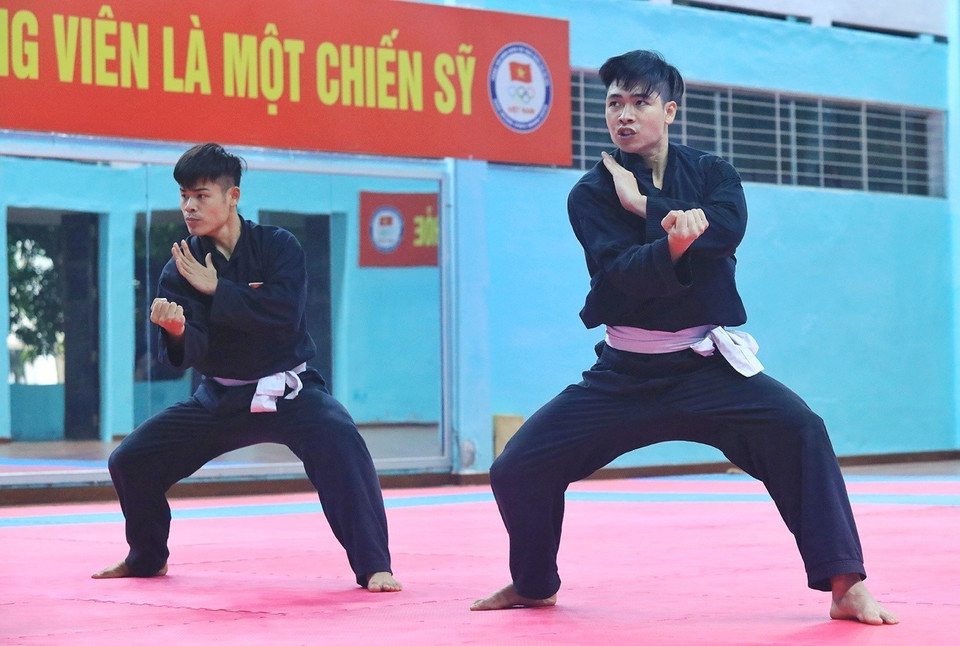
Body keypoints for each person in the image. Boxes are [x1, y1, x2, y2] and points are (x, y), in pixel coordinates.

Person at [472, 50, 896, 625]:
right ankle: (533, 583)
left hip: (707, 371)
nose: (625, 115)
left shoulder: (713, 173)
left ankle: (846, 586)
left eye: (640, 102)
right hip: (622, 376)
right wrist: (671, 237)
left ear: (669, 110)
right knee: (517, 467)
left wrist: (646, 205)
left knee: (801, 431)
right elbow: (618, 273)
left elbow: (725, 233)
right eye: (614, 103)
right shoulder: (590, 194)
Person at [92, 143, 401, 593]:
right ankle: (147, 557)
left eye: (201, 195)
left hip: (289, 391)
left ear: (232, 196)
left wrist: (219, 290)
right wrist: (176, 331)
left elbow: (283, 317)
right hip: (219, 397)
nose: (189, 206)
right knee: (131, 460)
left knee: (343, 444)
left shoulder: (278, 246)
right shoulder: (180, 268)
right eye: (183, 196)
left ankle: (374, 565)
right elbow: (188, 350)